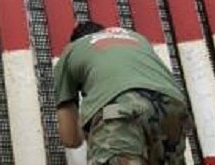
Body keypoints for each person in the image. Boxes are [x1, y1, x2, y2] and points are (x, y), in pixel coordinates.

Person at [54, 21, 192, 164]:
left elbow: (70, 139)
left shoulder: (72, 50)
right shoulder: (138, 39)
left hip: (121, 107)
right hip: (173, 105)